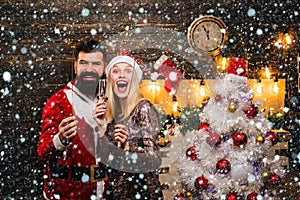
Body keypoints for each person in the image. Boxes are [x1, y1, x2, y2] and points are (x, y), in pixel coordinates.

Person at [37, 38, 114, 200]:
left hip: (103, 194)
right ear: (75, 66)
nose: (89, 69)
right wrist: (61, 139)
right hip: (68, 194)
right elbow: (43, 153)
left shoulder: (108, 101)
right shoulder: (59, 101)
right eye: (84, 63)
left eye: (96, 64)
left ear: (105, 67)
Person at [93, 53, 164, 199]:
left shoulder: (143, 108)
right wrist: (101, 128)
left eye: (127, 71)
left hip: (142, 193)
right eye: (116, 71)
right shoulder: (113, 116)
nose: (121, 75)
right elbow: (106, 165)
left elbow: (154, 160)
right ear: (110, 80)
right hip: (118, 194)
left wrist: (128, 147)